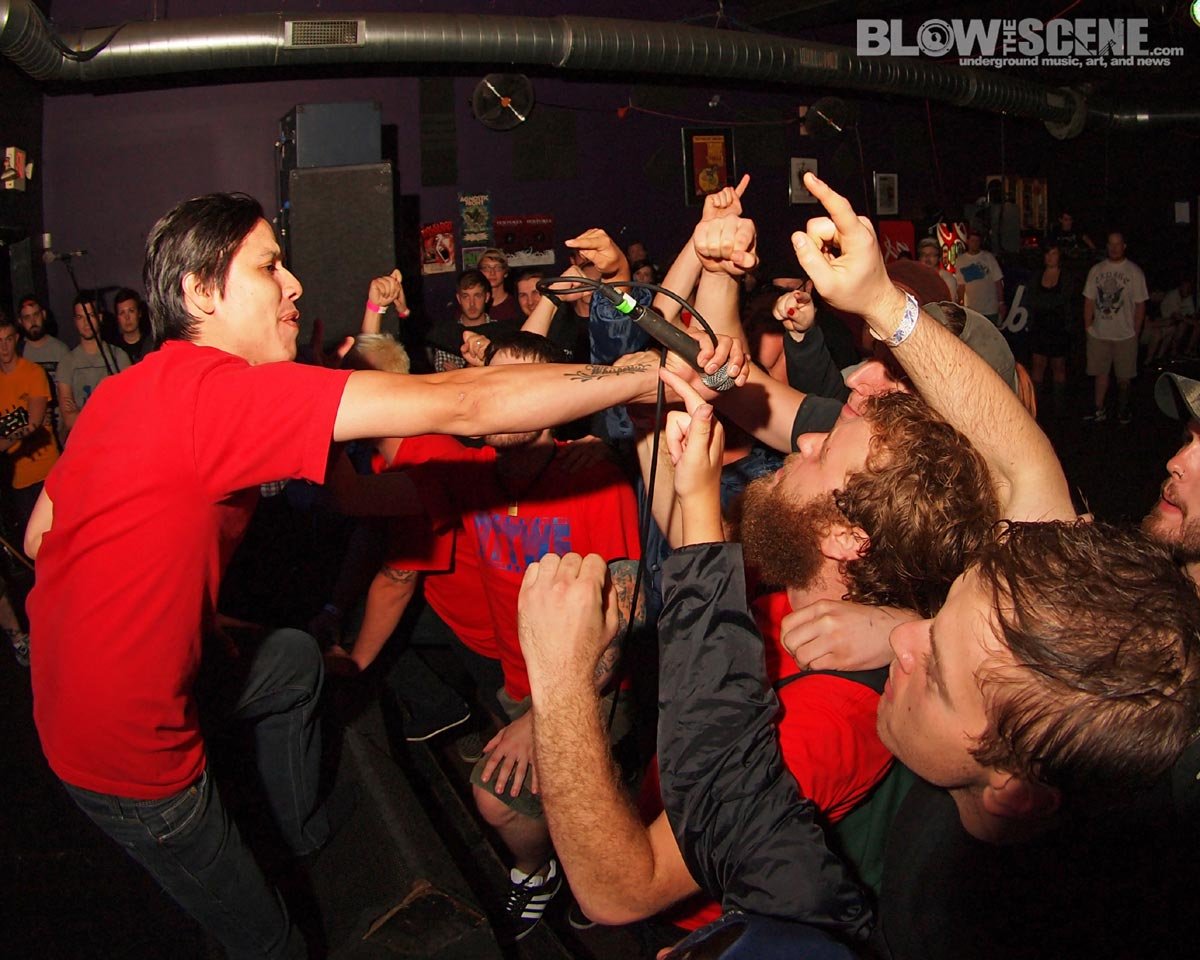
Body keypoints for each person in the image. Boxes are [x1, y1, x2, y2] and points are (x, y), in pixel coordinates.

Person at [25, 191, 740, 960]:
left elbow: (40, 538)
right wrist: (643, 374)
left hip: (64, 698)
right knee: (269, 942)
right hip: (130, 754)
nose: (294, 283)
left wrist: (184, 624)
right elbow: (464, 403)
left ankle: (301, 837)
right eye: (269, 267)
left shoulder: (132, 387)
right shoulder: (221, 393)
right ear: (202, 292)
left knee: (292, 661)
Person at [657, 171, 1200, 958]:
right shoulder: (1065, 598)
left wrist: (900, 626)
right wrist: (876, 300)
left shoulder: (1016, 904)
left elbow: (679, 847)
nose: (861, 388)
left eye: (901, 384)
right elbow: (742, 390)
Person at [0, 312, 58, 547]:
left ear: (17, 339)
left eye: (8, 339)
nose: (4, 347)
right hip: (16, 479)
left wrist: (4, 441)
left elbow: (33, 423)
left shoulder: (34, 372)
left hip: (46, 472)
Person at [1082, 231, 1148, 424]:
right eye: (1111, 244)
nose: (1114, 248)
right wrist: (1088, 326)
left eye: (1118, 244)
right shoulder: (1096, 270)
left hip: (1125, 334)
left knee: (1124, 377)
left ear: (1124, 246)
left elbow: (1140, 304)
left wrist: (1136, 330)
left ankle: (1123, 409)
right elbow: (1089, 300)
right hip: (1100, 333)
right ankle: (1098, 408)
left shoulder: (1134, 272)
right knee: (1100, 374)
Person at [55, 293, 131, 438]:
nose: (86, 323)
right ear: (75, 321)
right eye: (80, 317)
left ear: (99, 317)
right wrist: (108, 417)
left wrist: (81, 414)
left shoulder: (119, 357)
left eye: (90, 316)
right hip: (82, 442)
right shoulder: (67, 362)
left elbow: (128, 408)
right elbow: (69, 419)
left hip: (114, 440)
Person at [16, 294, 70, 445]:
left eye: (36, 315)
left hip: (59, 431)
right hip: (28, 435)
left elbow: (68, 397)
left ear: (44, 315)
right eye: (27, 317)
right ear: (20, 321)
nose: (33, 321)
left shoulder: (61, 350)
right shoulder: (17, 352)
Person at [1026, 244, 1073, 416]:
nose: (1050, 257)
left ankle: (1059, 408)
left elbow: (1064, 300)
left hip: (1059, 328)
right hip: (1040, 327)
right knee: (1038, 365)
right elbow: (1031, 299)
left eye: (1054, 254)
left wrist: (1046, 303)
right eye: (1048, 254)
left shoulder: (1066, 277)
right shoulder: (1037, 276)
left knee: (1058, 366)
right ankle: (1035, 407)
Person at [954, 228, 1005, 326]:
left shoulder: (988, 257)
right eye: (972, 241)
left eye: (977, 241)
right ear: (968, 241)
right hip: (972, 310)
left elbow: (998, 281)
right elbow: (961, 286)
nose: (975, 243)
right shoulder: (961, 260)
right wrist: (959, 304)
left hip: (990, 309)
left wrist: (1001, 302)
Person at [109, 287, 154, 363]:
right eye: (122, 313)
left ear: (139, 313)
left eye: (131, 311)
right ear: (117, 317)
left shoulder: (151, 344)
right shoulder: (113, 349)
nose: (127, 317)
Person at [477, 248, 520, 323]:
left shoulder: (516, 306)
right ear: (480, 272)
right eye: (486, 268)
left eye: (498, 268)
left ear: (505, 272)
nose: (492, 273)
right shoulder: (473, 305)